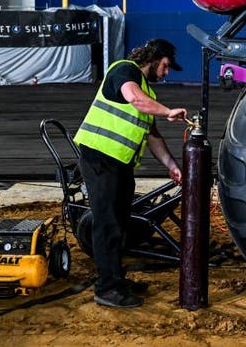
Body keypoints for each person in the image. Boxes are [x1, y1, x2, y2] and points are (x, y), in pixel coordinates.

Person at [74, 38, 188, 308]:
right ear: (154, 58)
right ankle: (107, 288)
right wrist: (168, 111)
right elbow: (134, 99)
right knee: (107, 224)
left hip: (120, 164)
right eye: (165, 65)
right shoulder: (124, 70)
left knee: (119, 224)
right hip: (100, 159)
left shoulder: (148, 91)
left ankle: (116, 279)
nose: (166, 72)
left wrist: (172, 166)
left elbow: (152, 136)